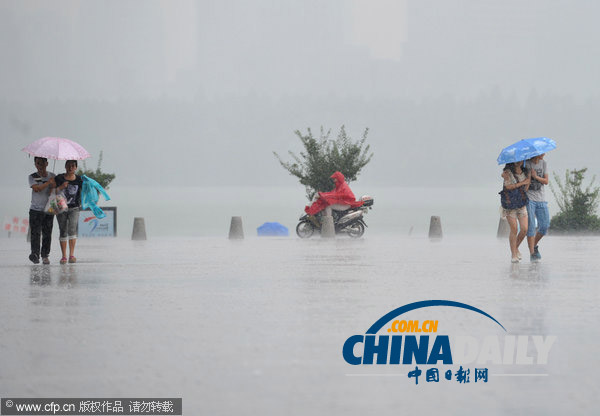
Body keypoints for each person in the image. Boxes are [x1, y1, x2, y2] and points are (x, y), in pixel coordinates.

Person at [501, 161, 530, 263]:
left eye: (521, 160)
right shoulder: (507, 172)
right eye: (516, 160)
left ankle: (515, 248)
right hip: (510, 204)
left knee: (524, 229)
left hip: (521, 203)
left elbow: (526, 188)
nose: (519, 162)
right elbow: (508, 187)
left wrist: (528, 180)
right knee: (514, 229)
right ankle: (513, 254)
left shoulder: (526, 171)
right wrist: (522, 183)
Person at [54, 160, 83, 264]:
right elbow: (52, 191)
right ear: (65, 166)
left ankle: (71, 255)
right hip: (61, 207)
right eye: (68, 165)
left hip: (74, 208)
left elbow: (83, 192)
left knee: (72, 229)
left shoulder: (79, 179)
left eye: (73, 166)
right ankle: (64, 256)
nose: (70, 168)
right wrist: (61, 187)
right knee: (63, 230)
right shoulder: (59, 178)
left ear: (76, 167)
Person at [28, 157, 55, 264]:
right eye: (38, 163)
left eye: (42, 163)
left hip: (49, 209)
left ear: (47, 163)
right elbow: (37, 189)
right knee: (35, 233)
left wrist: (52, 187)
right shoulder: (32, 176)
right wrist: (48, 183)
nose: (40, 165)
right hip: (35, 209)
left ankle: (45, 255)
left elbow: (55, 190)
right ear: (35, 164)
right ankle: (35, 254)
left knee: (47, 233)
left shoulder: (52, 176)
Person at [526, 153, 550, 262]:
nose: (544, 154)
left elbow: (546, 181)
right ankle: (532, 253)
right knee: (531, 226)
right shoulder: (527, 164)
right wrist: (529, 177)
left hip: (541, 199)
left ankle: (534, 245)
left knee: (544, 226)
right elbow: (525, 182)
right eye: (542, 152)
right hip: (529, 199)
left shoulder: (543, 163)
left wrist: (536, 177)